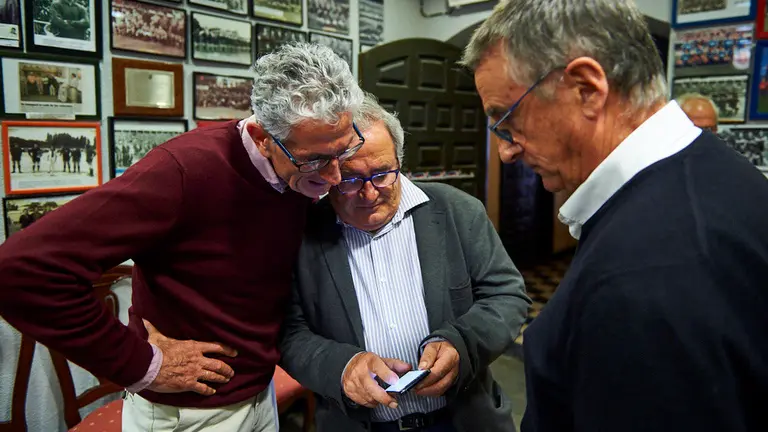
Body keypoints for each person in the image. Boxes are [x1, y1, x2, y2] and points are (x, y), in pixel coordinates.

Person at [0, 43, 364, 432]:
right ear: (261, 137)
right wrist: (141, 363)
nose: (333, 178)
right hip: (190, 414)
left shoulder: (299, 158)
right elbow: (19, 270)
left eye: (342, 152)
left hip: (259, 393)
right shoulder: (183, 171)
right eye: (314, 161)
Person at [462, 0, 768, 431]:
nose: (506, 151)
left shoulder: (644, 274)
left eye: (507, 120)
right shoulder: (718, 173)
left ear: (586, 88)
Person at [280, 95, 530, 432]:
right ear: (330, 174)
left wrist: (461, 345)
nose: (369, 194)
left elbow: (507, 297)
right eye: (351, 181)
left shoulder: (458, 212)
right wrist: (341, 366)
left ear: (399, 161)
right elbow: (290, 333)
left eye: (382, 174)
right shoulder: (303, 234)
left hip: (464, 420)